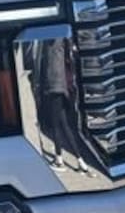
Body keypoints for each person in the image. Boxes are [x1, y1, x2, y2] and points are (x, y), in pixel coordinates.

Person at [38, 39, 90, 174]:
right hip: (63, 88)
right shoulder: (64, 43)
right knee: (65, 125)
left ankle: (59, 160)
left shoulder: (51, 41)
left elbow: (47, 65)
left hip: (54, 86)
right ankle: (81, 162)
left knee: (56, 126)